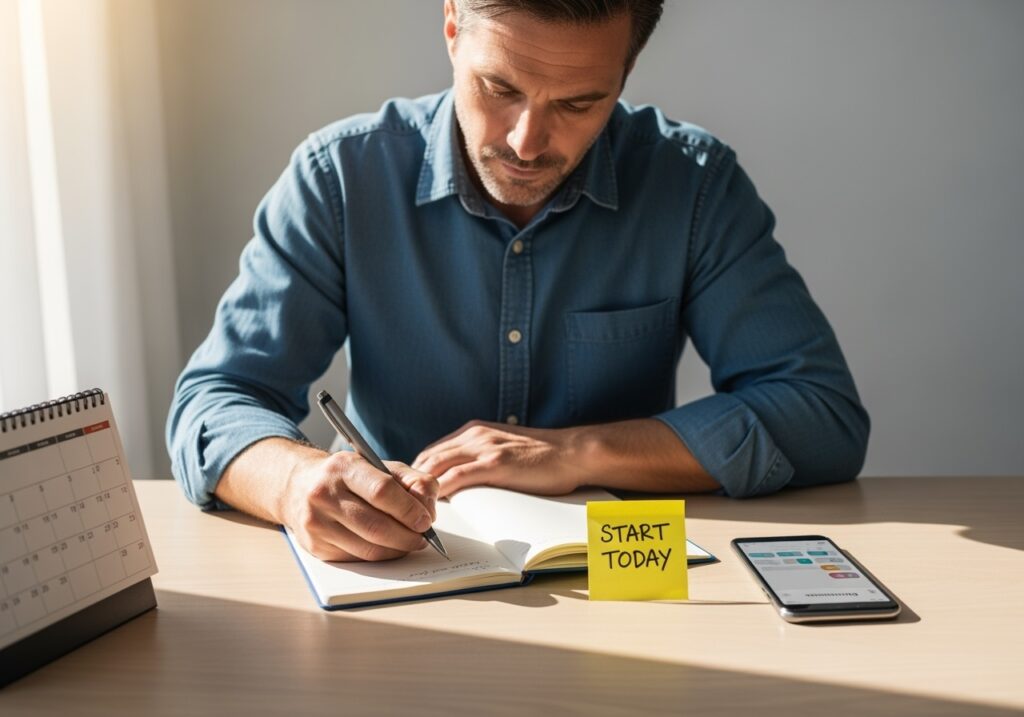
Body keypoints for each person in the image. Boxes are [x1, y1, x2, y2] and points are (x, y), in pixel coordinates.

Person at [167, 0, 869, 562]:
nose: (526, 142)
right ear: (452, 25)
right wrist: (293, 482)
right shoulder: (341, 179)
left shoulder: (693, 187)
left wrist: (578, 451)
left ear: (626, 71)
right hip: (397, 575)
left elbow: (821, 416)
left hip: (624, 584)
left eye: (578, 104)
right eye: (499, 89)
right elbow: (214, 402)